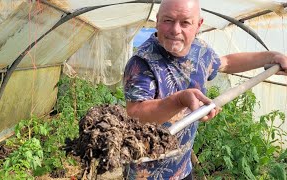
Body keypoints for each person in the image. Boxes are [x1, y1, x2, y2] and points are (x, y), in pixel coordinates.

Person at [123, 0, 287, 179]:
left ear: (198, 25)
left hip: (182, 166)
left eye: (185, 22)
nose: (175, 30)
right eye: (168, 20)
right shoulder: (142, 62)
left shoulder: (200, 50)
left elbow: (227, 62)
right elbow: (136, 114)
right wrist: (179, 100)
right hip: (148, 172)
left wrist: (271, 56)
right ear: (157, 20)